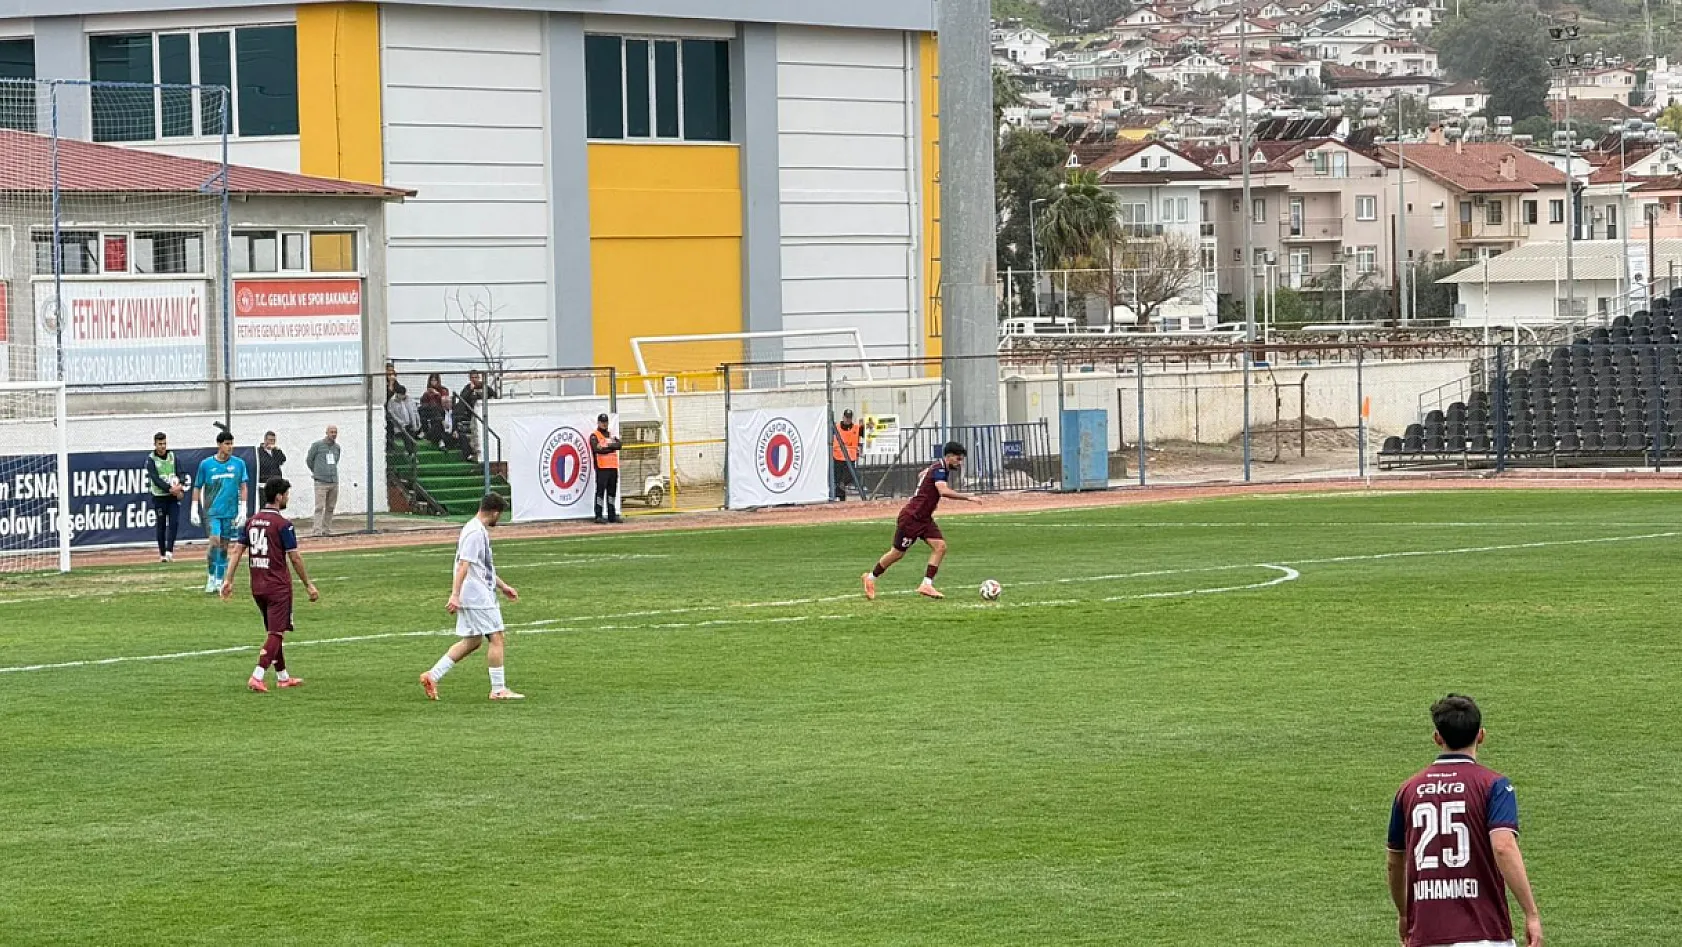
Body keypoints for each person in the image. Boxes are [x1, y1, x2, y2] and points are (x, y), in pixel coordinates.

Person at [1387, 694, 1543, 947]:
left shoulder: (1408, 790)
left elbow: (1395, 861)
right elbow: (1503, 846)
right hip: (1484, 932)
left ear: (1438, 738)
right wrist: (1531, 914)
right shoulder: (1493, 786)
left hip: (1426, 934)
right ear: (1481, 735)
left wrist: (1405, 913)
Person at [419, 493, 523, 701]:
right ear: (494, 512)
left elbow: (481, 566)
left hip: (477, 593)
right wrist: (455, 595)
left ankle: (433, 675)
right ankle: (498, 689)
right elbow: (463, 565)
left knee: (473, 640)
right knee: (497, 637)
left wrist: (503, 586)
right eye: (499, 516)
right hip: (477, 596)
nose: (498, 520)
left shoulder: (475, 529)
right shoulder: (475, 533)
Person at [221, 477, 319, 693]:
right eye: (286, 495)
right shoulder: (283, 525)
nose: (287, 498)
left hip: (257, 585)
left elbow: (237, 551)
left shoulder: (251, 521)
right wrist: (308, 585)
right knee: (276, 633)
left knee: (274, 631)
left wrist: (228, 579)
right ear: (278, 496)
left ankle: (283, 677)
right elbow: (294, 558)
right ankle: (257, 675)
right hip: (278, 586)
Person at [862, 441, 980, 601]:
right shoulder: (939, 469)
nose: (960, 463)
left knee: (940, 546)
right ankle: (870, 578)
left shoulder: (938, 467)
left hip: (924, 518)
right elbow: (943, 491)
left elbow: (922, 474)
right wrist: (968, 497)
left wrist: (926, 475)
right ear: (949, 456)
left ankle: (927, 584)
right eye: (958, 459)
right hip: (912, 517)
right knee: (897, 553)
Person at [193, 431, 250, 594]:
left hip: (230, 512)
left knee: (224, 546)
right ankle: (210, 576)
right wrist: (194, 508)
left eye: (231, 443)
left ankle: (219, 579)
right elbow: (197, 486)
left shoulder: (239, 464)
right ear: (219, 445)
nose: (230, 447)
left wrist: (243, 509)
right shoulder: (206, 464)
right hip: (212, 511)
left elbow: (243, 485)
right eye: (227, 443)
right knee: (214, 542)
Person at [144, 431, 185, 562]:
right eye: (160, 444)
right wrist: (170, 489)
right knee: (161, 525)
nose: (162, 446)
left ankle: (169, 551)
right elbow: (156, 479)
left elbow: (181, 472)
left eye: (164, 443)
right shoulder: (151, 460)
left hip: (173, 497)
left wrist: (180, 485)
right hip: (159, 497)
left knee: (174, 523)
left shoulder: (173, 456)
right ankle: (162, 554)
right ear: (155, 444)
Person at [306, 426, 342, 538]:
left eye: (335, 432)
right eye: (331, 432)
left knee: (330, 506)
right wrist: (317, 471)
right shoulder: (317, 445)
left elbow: (336, 460)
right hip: (321, 482)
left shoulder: (337, 448)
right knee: (319, 507)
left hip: (333, 481)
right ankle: (317, 530)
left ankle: (327, 529)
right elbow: (309, 460)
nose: (333, 434)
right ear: (326, 433)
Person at [590, 413, 622, 524]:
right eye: (602, 422)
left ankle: (611, 515)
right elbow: (597, 449)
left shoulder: (611, 435)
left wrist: (606, 446)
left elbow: (619, 445)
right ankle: (598, 515)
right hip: (602, 467)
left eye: (606, 422)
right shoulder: (594, 435)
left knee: (612, 492)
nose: (604, 424)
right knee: (600, 492)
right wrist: (611, 447)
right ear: (598, 423)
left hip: (613, 467)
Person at [831, 409, 862, 501]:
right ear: (843, 417)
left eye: (849, 418)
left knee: (850, 477)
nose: (848, 420)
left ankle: (840, 492)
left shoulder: (856, 428)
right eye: (846, 417)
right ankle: (841, 498)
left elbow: (866, 432)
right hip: (838, 457)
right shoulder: (836, 427)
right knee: (838, 479)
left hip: (850, 457)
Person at [419, 372, 455, 448]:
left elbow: (445, 402)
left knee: (435, 407)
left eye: (435, 380)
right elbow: (423, 402)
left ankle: (431, 435)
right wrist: (426, 395)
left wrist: (437, 394)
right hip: (430, 410)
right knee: (422, 409)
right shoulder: (428, 391)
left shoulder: (443, 390)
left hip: (441, 410)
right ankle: (424, 431)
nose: (433, 382)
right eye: (432, 380)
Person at [387, 384, 421, 455]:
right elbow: (393, 415)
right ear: (397, 394)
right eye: (401, 395)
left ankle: (412, 453)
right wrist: (400, 423)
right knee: (406, 436)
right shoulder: (391, 402)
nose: (402, 397)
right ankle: (410, 452)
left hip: (410, 424)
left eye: (403, 395)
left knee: (411, 433)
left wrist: (417, 423)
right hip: (399, 427)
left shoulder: (409, 400)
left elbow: (414, 412)